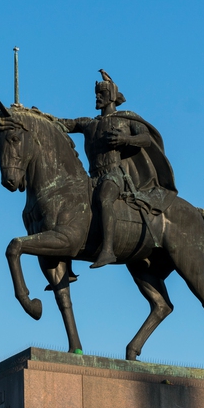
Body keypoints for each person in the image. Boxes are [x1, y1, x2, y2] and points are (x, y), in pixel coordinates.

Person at [60, 70, 177, 268]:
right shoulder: (89, 123)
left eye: (101, 94)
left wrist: (125, 139)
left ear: (111, 97)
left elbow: (146, 139)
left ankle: (108, 250)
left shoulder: (127, 118)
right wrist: (33, 114)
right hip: (92, 176)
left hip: (115, 174)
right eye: (96, 94)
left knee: (105, 198)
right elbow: (63, 124)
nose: (97, 97)